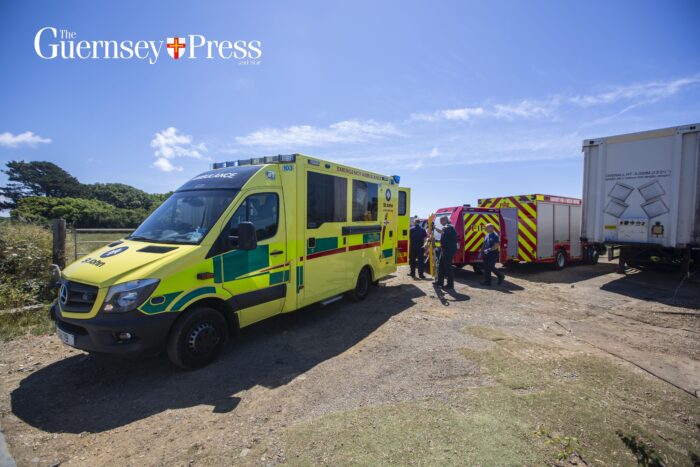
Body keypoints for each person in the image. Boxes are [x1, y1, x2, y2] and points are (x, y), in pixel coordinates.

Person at [434, 216, 457, 289]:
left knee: (448, 267)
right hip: (445, 249)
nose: (440, 223)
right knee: (441, 266)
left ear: (445, 220)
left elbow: (442, 231)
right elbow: (442, 232)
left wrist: (435, 227)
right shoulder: (447, 227)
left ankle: (450, 285)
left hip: (449, 250)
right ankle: (440, 282)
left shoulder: (449, 227)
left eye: (441, 221)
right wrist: (435, 228)